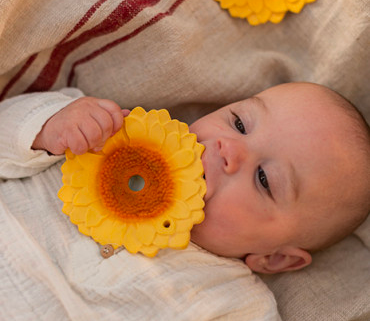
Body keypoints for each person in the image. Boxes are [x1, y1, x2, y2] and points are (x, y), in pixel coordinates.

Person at [30, 81, 370, 273]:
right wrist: (47, 127)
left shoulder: (232, 308)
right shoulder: (107, 141)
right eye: (239, 124)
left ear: (275, 257)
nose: (229, 149)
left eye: (264, 178)